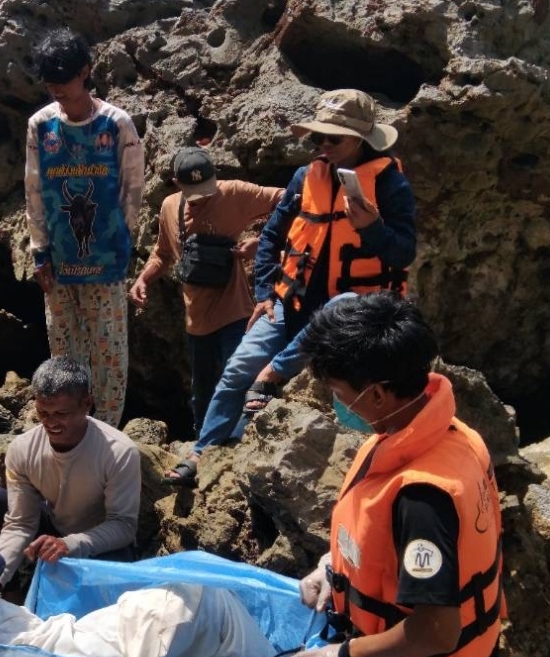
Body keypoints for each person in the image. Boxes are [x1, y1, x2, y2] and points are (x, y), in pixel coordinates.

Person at [166, 89, 416, 484]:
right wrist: (265, 294)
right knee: (234, 372)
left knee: (341, 309)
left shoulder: (388, 184)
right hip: (292, 303)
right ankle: (202, 452)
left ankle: (273, 376)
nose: (323, 146)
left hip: (353, 309)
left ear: (361, 140)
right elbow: (270, 237)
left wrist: (372, 228)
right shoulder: (305, 177)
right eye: (318, 137)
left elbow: (403, 253)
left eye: (334, 138)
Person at [287, 292, 503, 657]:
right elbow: (387, 548)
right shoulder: (452, 434)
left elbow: (436, 630)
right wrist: (333, 568)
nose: (336, 402)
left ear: (379, 394)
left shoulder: (420, 497)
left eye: (337, 391)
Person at [24, 29, 144, 428]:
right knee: (64, 350)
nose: (58, 89)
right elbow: (35, 190)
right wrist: (39, 251)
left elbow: (133, 190)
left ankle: (106, 429)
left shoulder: (117, 124)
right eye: (50, 82)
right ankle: (67, 427)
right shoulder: (41, 126)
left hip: (106, 261)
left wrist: (121, 244)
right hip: (58, 263)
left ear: (86, 72)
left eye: (65, 79)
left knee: (109, 353)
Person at [129, 146, 283, 436]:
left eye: (207, 190)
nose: (204, 199)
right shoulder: (169, 207)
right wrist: (143, 280)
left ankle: (240, 446)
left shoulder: (235, 193)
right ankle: (204, 447)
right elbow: (162, 254)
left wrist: (264, 242)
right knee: (202, 392)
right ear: (177, 184)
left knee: (238, 381)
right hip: (196, 323)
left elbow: (294, 200)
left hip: (236, 315)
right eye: (195, 194)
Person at [0, 356, 140, 591]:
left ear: (87, 403)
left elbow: (123, 526)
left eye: (62, 413)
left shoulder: (119, 451)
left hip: (102, 541)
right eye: (43, 413)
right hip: (55, 526)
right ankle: (4, 589)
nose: (51, 423)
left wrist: (69, 544)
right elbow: (21, 522)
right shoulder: (22, 449)